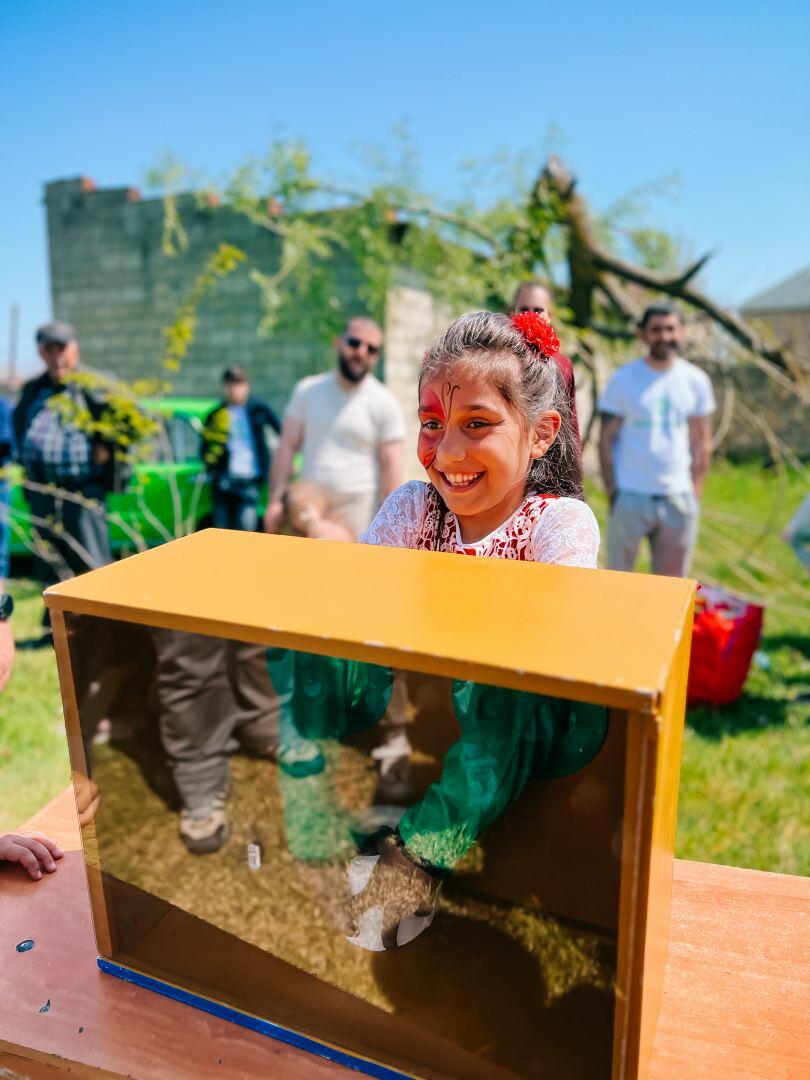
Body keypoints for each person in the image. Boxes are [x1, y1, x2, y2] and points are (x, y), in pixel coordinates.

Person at [276, 310, 604, 949]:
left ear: (541, 433)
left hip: (527, 730)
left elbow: (550, 648)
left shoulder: (558, 523)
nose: (447, 453)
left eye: (477, 424)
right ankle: (316, 833)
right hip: (433, 714)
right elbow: (354, 614)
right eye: (432, 424)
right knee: (314, 650)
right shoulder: (415, 507)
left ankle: (418, 856)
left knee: (504, 682)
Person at [598, 302, 715, 577]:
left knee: (671, 586)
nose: (664, 336)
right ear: (643, 334)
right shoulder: (623, 379)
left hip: (678, 496)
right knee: (617, 580)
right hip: (630, 494)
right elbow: (606, 439)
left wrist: (695, 490)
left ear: (682, 331)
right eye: (656, 330)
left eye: (670, 329)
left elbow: (702, 440)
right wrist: (612, 489)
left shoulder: (695, 380)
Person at [263, 317, 406, 540]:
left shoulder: (386, 403)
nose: (361, 352)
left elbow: (392, 468)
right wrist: (275, 501)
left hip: (357, 514)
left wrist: (394, 525)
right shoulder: (307, 391)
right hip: (308, 511)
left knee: (352, 564)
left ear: (377, 356)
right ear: (338, 343)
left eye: (371, 349)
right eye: (354, 343)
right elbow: (286, 447)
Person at [13, 322, 114, 614]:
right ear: (41, 353)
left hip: (82, 491)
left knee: (91, 565)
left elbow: (129, 421)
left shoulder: (95, 385)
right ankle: (56, 629)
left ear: (75, 349)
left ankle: (100, 625)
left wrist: (108, 447)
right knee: (50, 564)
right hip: (43, 492)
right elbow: (19, 426)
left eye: (62, 348)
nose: (57, 356)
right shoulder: (34, 389)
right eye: (49, 349)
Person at [201, 367, 281, 533]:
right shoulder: (217, 414)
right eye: (230, 385)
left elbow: (282, 433)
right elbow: (205, 447)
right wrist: (212, 468)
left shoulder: (258, 409)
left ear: (246, 386)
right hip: (223, 479)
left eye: (238, 384)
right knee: (220, 530)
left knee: (245, 529)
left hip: (250, 478)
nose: (234, 390)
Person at [511, 281, 580, 449]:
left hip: (546, 454)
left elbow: (570, 426)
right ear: (512, 314)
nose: (531, 315)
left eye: (538, 310)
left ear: (550, 317)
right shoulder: (496, 357)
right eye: (524, 310)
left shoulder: (562, 365)